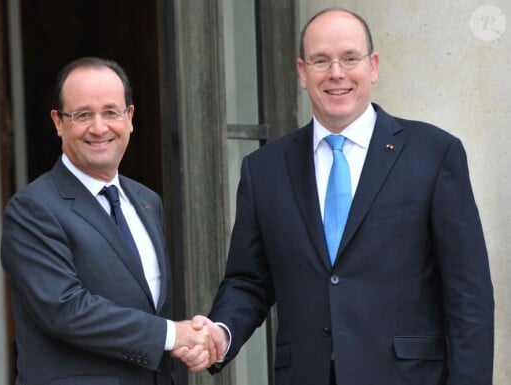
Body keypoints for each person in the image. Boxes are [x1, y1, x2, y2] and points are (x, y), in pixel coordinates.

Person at [176, 7, 494, 385]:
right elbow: (249, 281)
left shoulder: (434, 154)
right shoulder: (264, 170)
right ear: (301, 72)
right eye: (321, 61)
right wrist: (221, 333)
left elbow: (468, 295)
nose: (336, 73)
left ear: (373, 66)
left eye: (349, 58)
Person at [1, 56, 215, 385]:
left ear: (129, 118)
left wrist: (185, 344)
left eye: (111, 112)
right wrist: (172, 335)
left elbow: (148, 310)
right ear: (58, 122)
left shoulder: (146, 201)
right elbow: (66, 309)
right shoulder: (32, 209)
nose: (99, 128)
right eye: (83, 114)